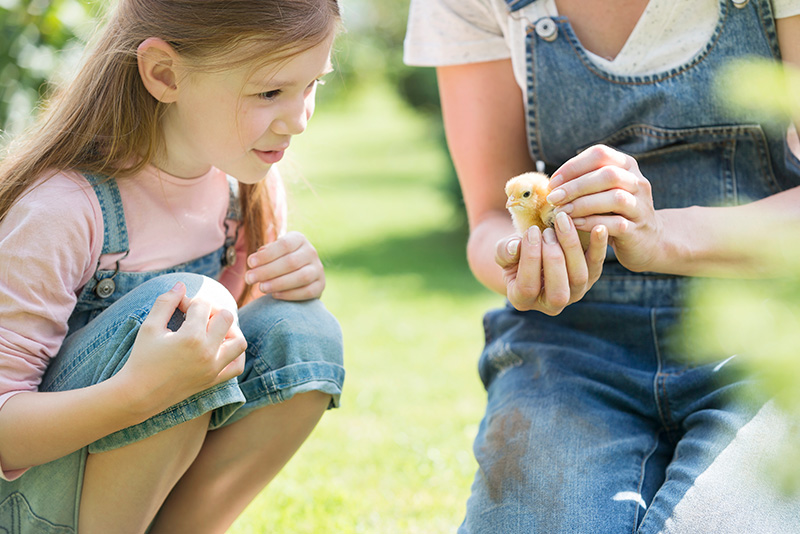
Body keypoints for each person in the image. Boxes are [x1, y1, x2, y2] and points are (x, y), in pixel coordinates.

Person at [405, 0, 800, 532]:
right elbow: (489, 217)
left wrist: (661, 236)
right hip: (572, 339)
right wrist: (518, 264)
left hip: (766, 330)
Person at [0, 1, 345, 532]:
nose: (299, 119)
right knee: (191, 311)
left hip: (142, 498)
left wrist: (288, 283)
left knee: (305, 329)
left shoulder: (242, 185)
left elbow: (240, 364)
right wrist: (140, 391)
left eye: (313, 85)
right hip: (30, 503)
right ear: (164, 74)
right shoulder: (62, 210)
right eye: (270, 91)